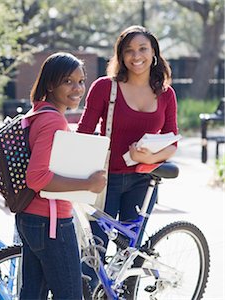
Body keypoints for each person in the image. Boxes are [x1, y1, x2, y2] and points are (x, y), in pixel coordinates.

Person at [76, 25, 178, 290]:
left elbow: (172, 142)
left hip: (143, 181)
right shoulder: (104, 88)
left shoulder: (166, 94)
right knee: (94, 252)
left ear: (154, 52)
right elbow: (84, 133)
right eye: (129, 51)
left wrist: (150, 155)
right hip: (103, 181)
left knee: (128, 254)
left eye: (143, 49)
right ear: (120, 56)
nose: (136, 56)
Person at [16, 52, 106, 299]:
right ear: (50, 84)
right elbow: (37, 178)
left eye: (80, 81)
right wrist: (88, 183)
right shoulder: (52, 121)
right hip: (52, 223)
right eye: (68, 81)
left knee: (32, 293)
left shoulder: (37, 113)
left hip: (31, 217)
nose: (77, 88)